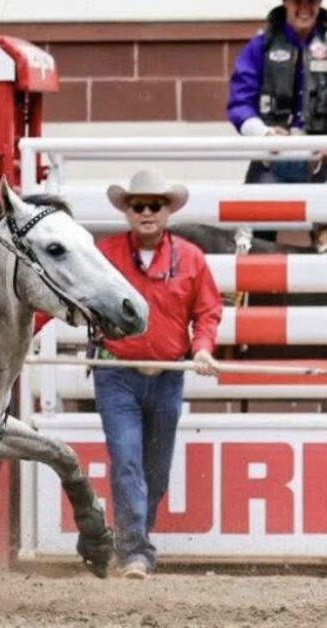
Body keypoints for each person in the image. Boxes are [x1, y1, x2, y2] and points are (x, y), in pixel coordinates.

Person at [95, 170, 223, 579]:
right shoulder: (105, 254)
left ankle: (132, 540)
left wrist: (202, 347)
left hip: (168, 375)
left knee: (156, 470)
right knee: (128, 460)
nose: (147, 213)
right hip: (116, 373)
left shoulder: (191, 258)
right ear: (128, 212)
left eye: (155, 205)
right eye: (138, 206)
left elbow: (207, 311)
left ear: (167, 211)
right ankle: (136, 552)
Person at [229, 0, 327, 185]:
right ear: (285, 2)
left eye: (312, 1)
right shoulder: (260, 46)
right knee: (257, 213)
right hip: (271, 158)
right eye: (297, 1)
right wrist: (264, 134)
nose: (305, 8)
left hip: (323, 159)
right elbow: (240, 103)